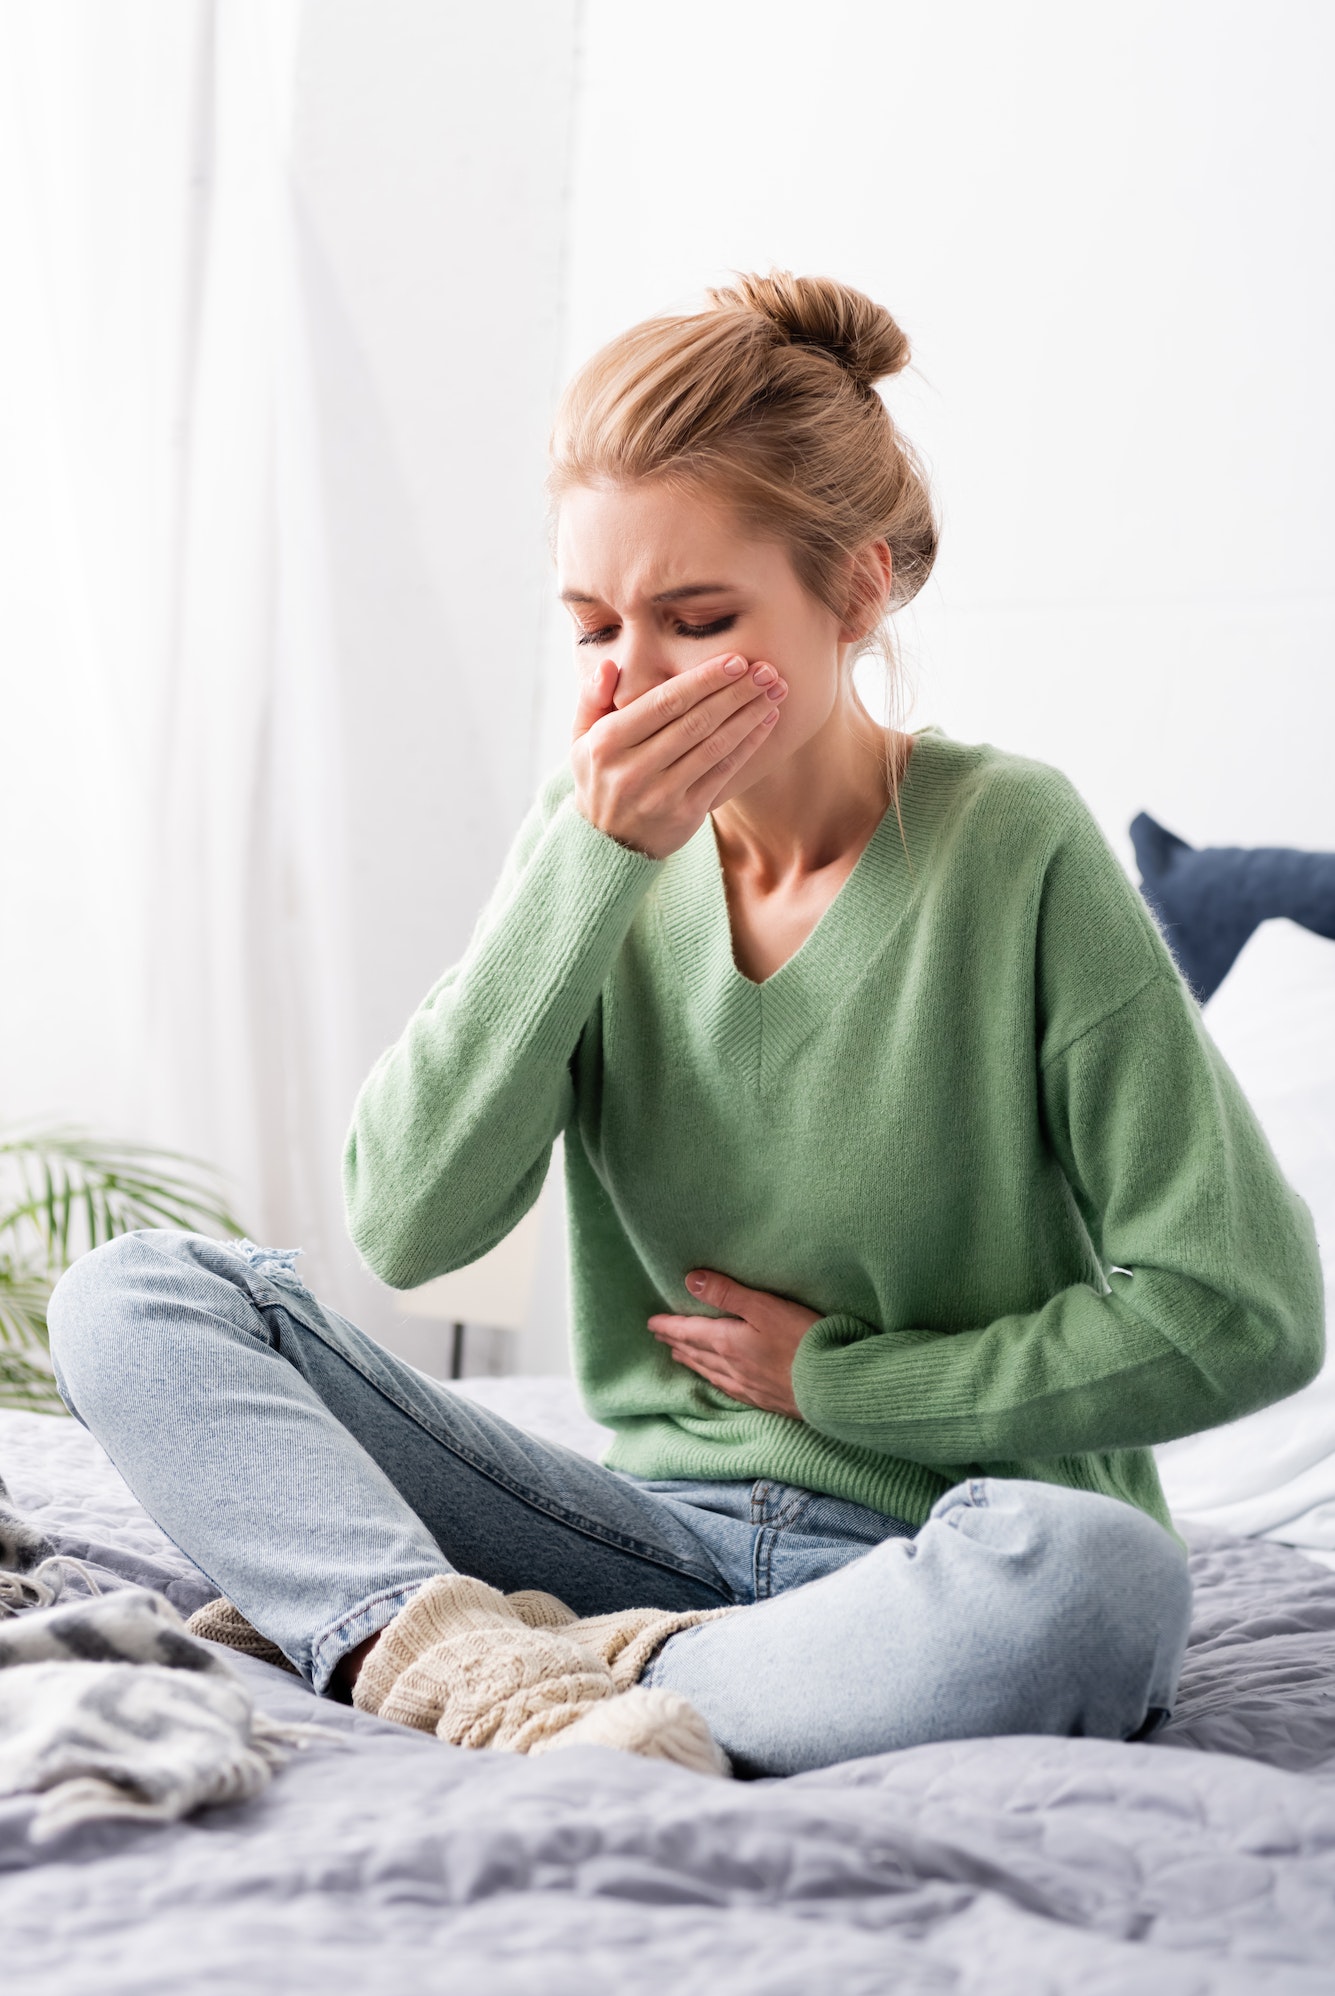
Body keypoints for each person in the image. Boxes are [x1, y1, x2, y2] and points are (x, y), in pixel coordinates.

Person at [48, 274, 1323, 1779]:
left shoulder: (1013, 845)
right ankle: (469, 1666)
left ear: (854, 593)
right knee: (133, 1295)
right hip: (632, 1535)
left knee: (1104, 1579)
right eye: (592, 625)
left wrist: (842, 1384)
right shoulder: (586, 846)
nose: (628, 680)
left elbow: (1248, 1309)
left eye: (696, 620)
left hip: (935, 1556)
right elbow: (405, 1225)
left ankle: (597, 1673)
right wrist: (592, 869)